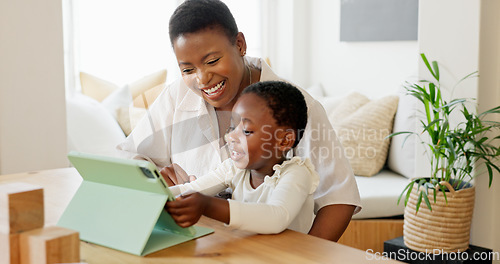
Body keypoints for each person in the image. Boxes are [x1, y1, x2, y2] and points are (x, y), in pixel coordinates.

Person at [117, 0, 361, 241]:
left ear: (240, 44)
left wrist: (305, 259)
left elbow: (337, 199)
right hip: (194, 246)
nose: (202, 79)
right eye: (188, 70)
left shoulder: (298, 106)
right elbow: (130, 156)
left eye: (212, 61)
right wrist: (156, 177)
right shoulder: (176, 94)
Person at [165, 81, 319, 234]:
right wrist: (154, 193)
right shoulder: (232, 168)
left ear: (284, 140)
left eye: (246, 131)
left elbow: (276, 217)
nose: (230, 136)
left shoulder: (297, 174)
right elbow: (190, 190)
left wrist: (208, 205)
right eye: (232, 127)